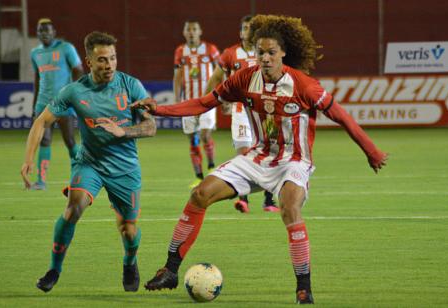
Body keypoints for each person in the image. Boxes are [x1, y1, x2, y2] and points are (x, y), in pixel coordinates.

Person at [134, 15, 388, 304]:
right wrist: (159, 110)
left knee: (289, 209)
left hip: (294, 162)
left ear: (283, 53)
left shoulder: (304, 86)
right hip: (257, 157)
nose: (265, 58)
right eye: (260, 52)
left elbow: (342, 116)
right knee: (200, 194)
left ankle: (303, 287)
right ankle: (170, 270)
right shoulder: (244, 78)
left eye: (271, 53)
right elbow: (204, 103)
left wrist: (371, 151)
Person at [20, 31, 157, 293]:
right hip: (90, 164)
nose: (110, 65)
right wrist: (28, 160)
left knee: (128, 230)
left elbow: (151, 126)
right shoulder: (74, 91)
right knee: (74, 208)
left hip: (125, 167)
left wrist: (124, 132)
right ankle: (54, 270)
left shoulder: (131, 86)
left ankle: (130, 262)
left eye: (113, 58)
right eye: (103, 60)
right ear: (89, 61)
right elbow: (41, 121)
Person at [204, 15, 278, 214]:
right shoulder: (230, 54)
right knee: (244, 154)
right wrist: (208, 103)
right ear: (240, 32)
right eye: (245, 28)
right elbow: (216, 79)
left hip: (266, 112)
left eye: (252, 28)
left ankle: (269, 200)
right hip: (241, 112)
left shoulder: (266, 53)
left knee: (271, 151)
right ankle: (243, 199)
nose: (248, 32)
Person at [30, 18, 84, 190]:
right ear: (37, 33)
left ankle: (81, 176)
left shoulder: (66, 48)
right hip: (43, 103)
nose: (44, 34)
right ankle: (41, 181)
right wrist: (34, 103)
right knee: (44, 140)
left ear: (54, 32)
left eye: (47, 30)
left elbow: (79, 70)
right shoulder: (35, 53)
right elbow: (38, 77)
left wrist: (72, 93)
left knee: (69, 141)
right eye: (40, 31)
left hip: (63, 103)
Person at [173, 20, 220, 188]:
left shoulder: (210, 49)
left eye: (194, 29)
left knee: (205, 134)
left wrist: (220, 93)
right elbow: (177, 76)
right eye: (188, 29)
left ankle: (212, 167)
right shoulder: (180, 51)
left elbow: (221, 72)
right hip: (188, 102)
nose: (191, 32)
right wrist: (177, 98)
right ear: (184, 32)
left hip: (206, 101)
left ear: (200, 31)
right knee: (192, 139)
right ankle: (199, 176)